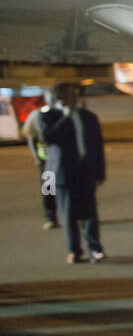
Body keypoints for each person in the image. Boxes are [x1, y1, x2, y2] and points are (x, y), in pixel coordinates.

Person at [24, 83, 105, 262]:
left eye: (75, 93)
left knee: (90, 212)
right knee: (65, 210)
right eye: (69, 94)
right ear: (58, 97)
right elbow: (44, 137)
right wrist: (65, 118)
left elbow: (98, 146)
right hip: (55, 170)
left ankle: (95, 248)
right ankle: (72, 248)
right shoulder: (45, 116)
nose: (74, 97)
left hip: (84, 171)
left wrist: (100, 171)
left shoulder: (89, 117)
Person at [22, 90, 60, 230]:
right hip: (47, 161)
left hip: (64, 160)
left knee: (70, 189)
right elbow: (30, 135)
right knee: (49, 190)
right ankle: (50, 216)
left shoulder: (66, 113)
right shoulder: (37, 115)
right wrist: (37, 157)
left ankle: (75, 216)